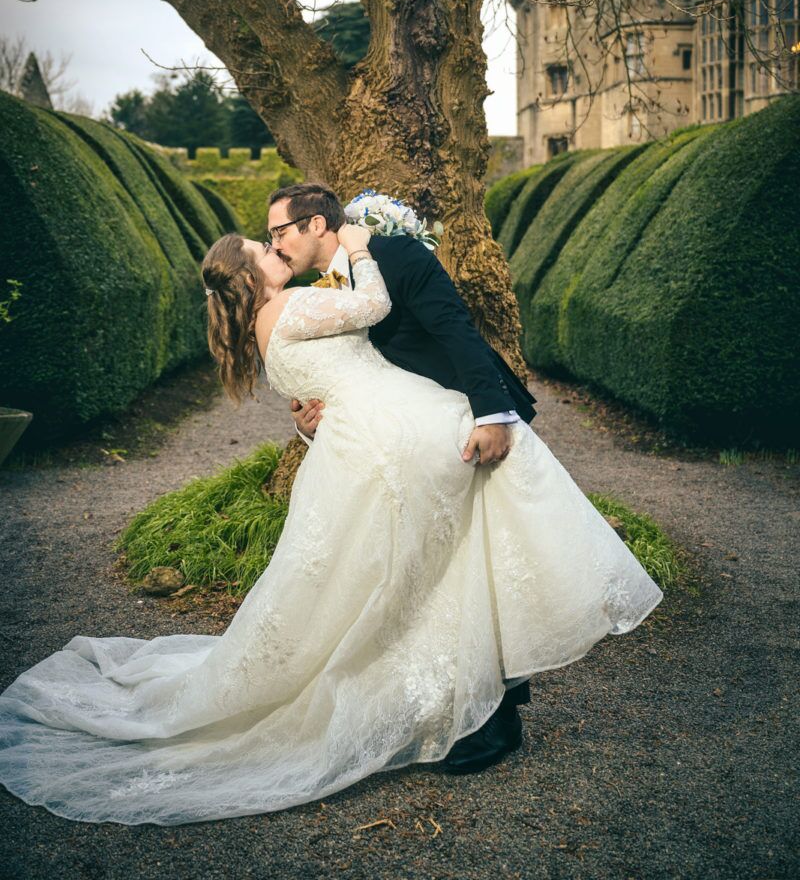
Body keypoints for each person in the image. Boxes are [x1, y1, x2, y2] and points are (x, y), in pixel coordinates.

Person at [0, 213, 662, 826]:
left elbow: (319, 399)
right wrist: (359, 248)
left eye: (275, 237)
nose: (275, 249)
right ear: (250, 278)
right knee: (472, 529)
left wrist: (308, 423)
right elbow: (372, 307)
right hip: (398, 433)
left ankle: (478, 702)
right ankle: (497, 678)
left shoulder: (263, 332)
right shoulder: (290, 304)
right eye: (264, 250)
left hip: (355, 450)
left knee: (408, 575)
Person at [267, 183, 538, 775]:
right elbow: (349, 381)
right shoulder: (321, 291)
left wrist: (492, 414)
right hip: (406, 448)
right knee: (447, 575)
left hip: (465, 426)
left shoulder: (396, 255)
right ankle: (474, 708)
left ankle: (495, 720)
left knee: (478, 568)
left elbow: (457, 330)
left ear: (316, 224)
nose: (275, 244)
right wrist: (310, 424)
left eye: (279, 231)